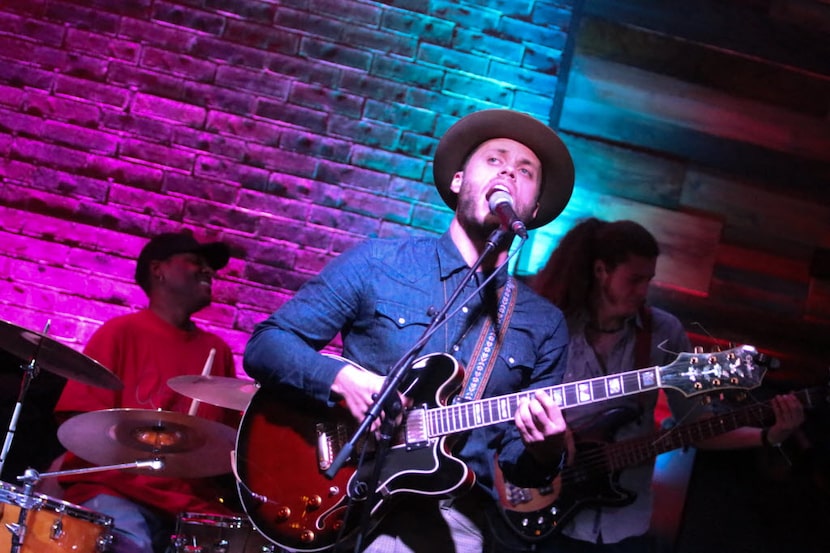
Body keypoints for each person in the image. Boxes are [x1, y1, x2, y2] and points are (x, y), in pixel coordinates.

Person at [243, 109, 576, 553]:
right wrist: (342, 380)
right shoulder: (379, 264)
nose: (508, 173)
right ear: (458, 181)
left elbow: (519, 466)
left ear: (532, 209)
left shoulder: (543, 323)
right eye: (494, 160)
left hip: (448, 517)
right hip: (342, 487)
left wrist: (545, 450)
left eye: (524, 171)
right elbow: (265, 345)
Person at [528, 217, 805, 553]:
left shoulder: (662, 333)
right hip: (539, 510)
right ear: (602, 271)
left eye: (649, 280)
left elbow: (697, 428)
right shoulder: (553, 323)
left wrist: (766, 436)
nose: (644, 291)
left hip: (623, 528)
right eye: (634, 279)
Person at [53, 231, 240, 553]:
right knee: (131, 544)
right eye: (196, 262)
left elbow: (228, 443)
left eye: (210, 266)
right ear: (159, 270)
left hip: (190, 501)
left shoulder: (217, 350)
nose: (209, 271)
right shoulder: (120, 333)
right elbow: (82, 424)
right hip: (116, 489)